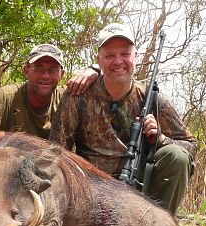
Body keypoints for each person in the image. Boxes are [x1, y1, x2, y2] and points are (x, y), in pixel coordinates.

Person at [49, 23, 197, 215]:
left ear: (135, 57)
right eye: (110, 55)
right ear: (99, 61)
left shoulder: (152, 98)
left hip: (139, 190)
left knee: (176, 157)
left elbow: (189, 145)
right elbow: (57, 149)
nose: (118, 61)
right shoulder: (78, 95)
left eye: (125, 54)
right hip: (90, 189)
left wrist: (159, 139)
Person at [0, 44, 98, 150]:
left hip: (53, 169)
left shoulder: (68, 97)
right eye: (38, 68)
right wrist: (20, 139)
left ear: (62, 74)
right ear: (26, 71)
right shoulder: (7, 96)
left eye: (53, 69)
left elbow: (112, 80)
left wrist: (95, 69)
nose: (45, 76)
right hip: (11, 169)